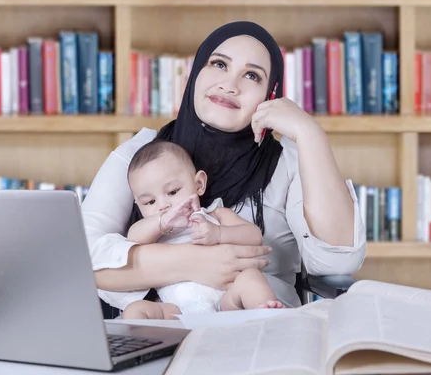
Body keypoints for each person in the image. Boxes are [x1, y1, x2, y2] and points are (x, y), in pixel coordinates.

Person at [82, 20, 366, 313]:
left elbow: (338, 261)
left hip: (258, 336)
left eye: (252, 75)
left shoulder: (288, 163)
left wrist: (310, 134)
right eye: (219, 64)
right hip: (162, 335)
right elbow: (81, 258)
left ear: (271, 94)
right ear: (194, 74)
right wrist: (197, 263)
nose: (229, 85)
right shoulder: (138, 156)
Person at [121, 139, 284, 319]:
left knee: (251, 278)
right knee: (135, 310)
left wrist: (219, 233)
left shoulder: (215, 215)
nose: (163, 205)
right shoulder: (154, 231)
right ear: (138, 205)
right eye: (150, 202)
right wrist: (162, 222)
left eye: (173, 192)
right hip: (178, 311)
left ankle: (265, 313)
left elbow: (254, 236)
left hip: (226, 301)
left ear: (199, 184)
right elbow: (132, 238)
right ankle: (149, 346)